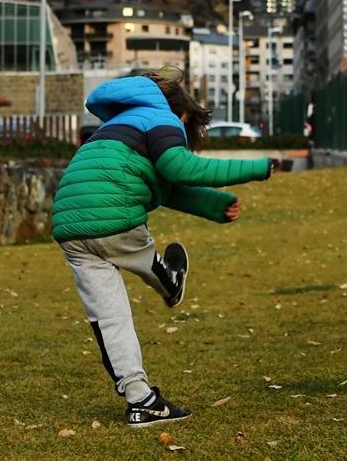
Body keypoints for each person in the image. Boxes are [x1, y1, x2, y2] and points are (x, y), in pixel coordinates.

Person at [52, 67, 275, 428]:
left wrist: (215, 207)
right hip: (114, 216)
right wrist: (259, 167)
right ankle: (170, 280)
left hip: (68, 224)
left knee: (110, 319)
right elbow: (181, 168)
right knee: (138, 253)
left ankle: (141, 401)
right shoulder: (163, 117)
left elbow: (168, 186)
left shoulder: (118, 125)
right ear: (183, 113)